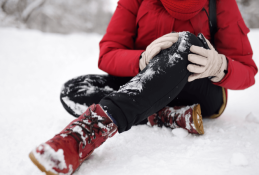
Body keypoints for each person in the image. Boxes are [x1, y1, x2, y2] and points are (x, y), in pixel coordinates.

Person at [29, 0, 258, 174]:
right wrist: (142, 59)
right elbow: (108, 53)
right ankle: (163, 115)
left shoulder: (220, 3)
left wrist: (220, 66)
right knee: (75, 90)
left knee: (186, 43)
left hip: (199, 91)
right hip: (143, 80)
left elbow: (247, 70)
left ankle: (89, 131)